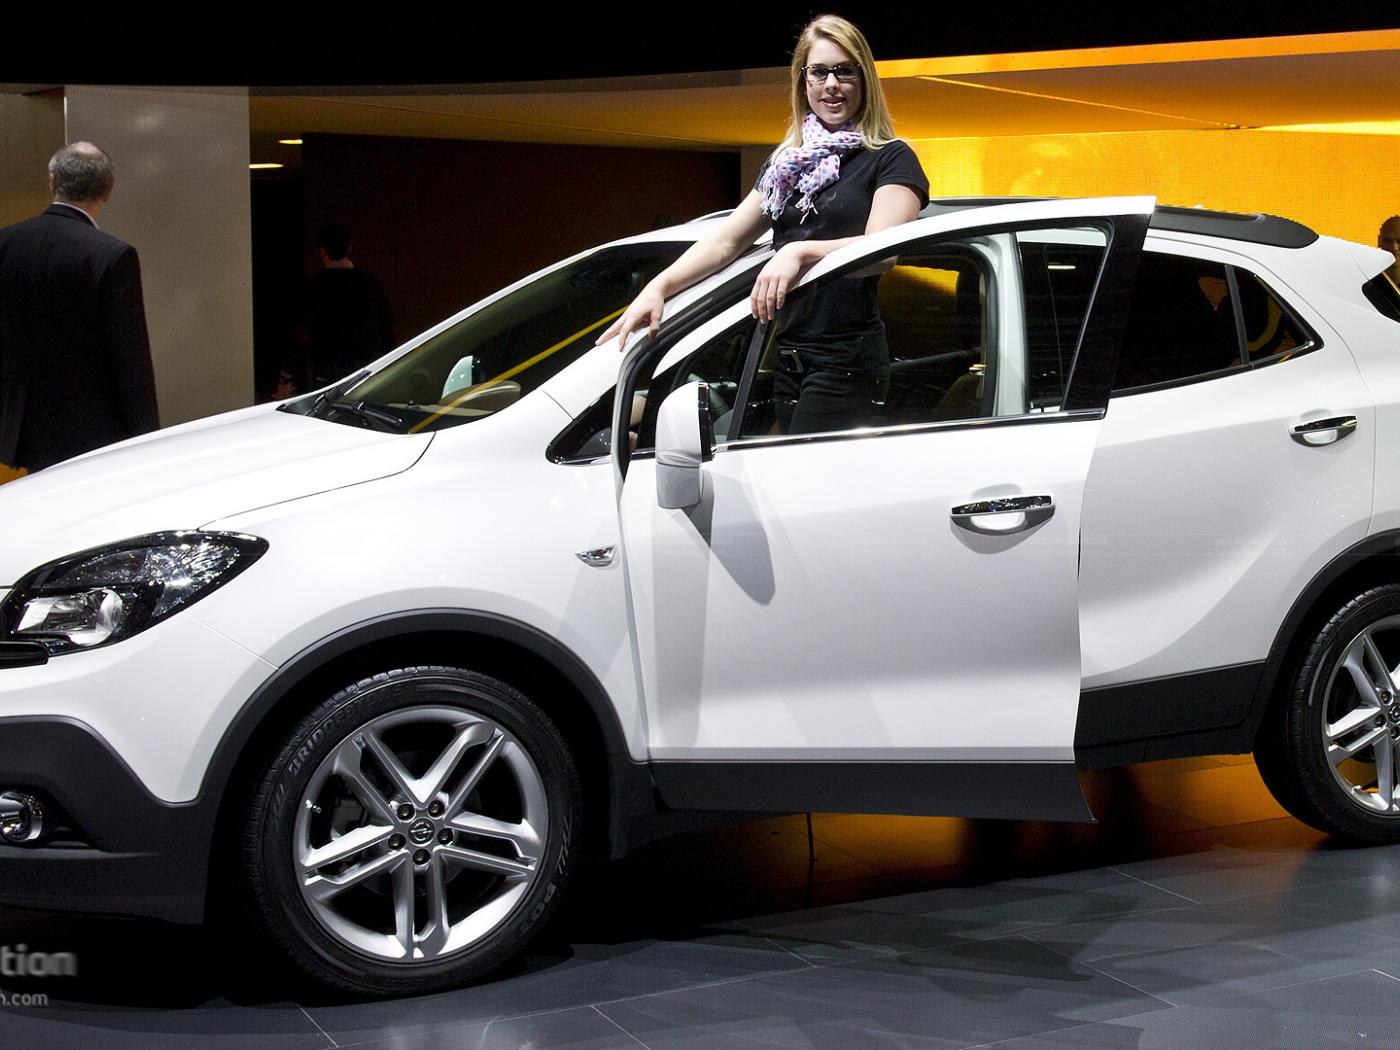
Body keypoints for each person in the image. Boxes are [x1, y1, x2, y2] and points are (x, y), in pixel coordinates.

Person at [600, 13, 929, 434]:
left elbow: (881, 251)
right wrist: (659, 287)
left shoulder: (890, 156)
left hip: (847, 358)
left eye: (845, 71)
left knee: (807, 473)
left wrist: (798, 251)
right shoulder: (786, 163)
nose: (832, 84)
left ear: (864, 79)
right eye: (819, 72)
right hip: (786, 355)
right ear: (803, 81)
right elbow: (726, 242)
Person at [0, 142, 159, 472]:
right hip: (92, 426)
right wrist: (146, 437)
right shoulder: (112, 255)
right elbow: (129, 355)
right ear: (108, 190)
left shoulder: (6, 243)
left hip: (21, 422)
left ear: (52, 182)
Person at [299, 223, 395, 386]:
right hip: (364, 368)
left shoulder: (313, 286)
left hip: (326, 370)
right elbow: (387, 326)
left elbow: (303, 328)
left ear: (323, 252)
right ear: (349, 248)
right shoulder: (370, 283)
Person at [1378, 215, 1400, 286]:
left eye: (1399, 241)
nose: (1394, 247)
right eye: (1387, 241)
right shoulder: (1366, 281)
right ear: (1379, 241)